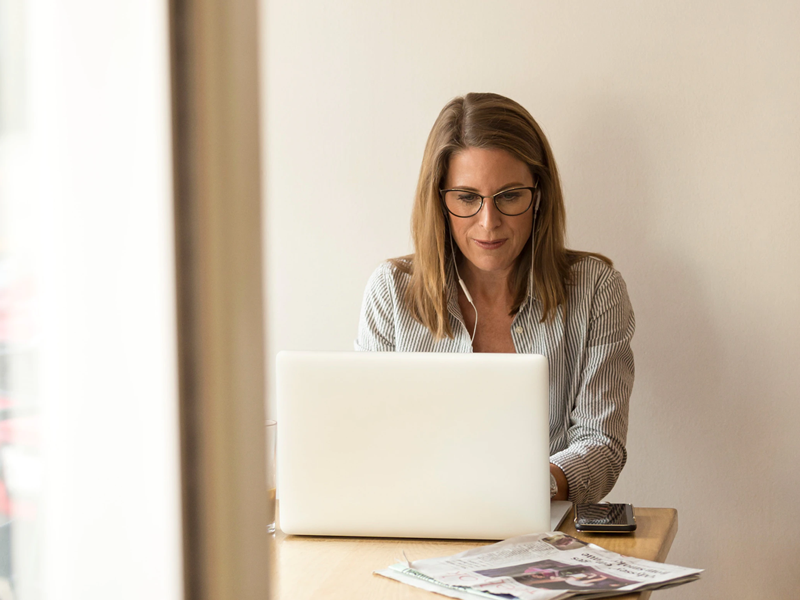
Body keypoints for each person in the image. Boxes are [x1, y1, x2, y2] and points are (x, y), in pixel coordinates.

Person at [355, 92, 635, 504]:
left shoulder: (595, 290)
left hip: (545, 535)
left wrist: (525, 489)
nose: (489, 223)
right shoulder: (391, 292)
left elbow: (602, 444)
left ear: (538, 195)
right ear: (440, 200)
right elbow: (369, 441)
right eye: (467, 198)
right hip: (417, 528)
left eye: (509, 196)